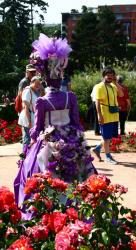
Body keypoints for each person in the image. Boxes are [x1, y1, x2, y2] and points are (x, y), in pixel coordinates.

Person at [14, 34, 97, 219]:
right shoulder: (71, 97)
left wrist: (30, 144)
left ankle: (48, 210)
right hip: (71, 140)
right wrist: (78, 141)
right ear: (60, 77)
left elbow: (36, 128)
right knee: (81, 176)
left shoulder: (42, 101)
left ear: (44, 79)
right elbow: (76, 123)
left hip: (50, 141)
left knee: (38, 173)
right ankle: (79, 210)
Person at [92, 67, 123, 165]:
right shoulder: (99, 86)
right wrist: (99, 116)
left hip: (113, 114)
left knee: (108, 137)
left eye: (112, 75)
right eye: (108, 75)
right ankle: (108, 157)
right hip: (105, 114)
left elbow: (121, 94)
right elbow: (97, 102)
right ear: (103, 75)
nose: (110, 77)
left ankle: (97, 149)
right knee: (106, 138)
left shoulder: (113, 86)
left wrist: (116, 82)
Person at [18, 76, 42, 151]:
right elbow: (25, 107)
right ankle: (24, 157)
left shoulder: (35, 91)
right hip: (27, 117)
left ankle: (28, 157)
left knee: (31, 139)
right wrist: (29, 122)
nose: (38, 85)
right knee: (27, 139)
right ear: (32, 82)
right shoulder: (28, 90)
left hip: (32, 117)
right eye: (36, 83)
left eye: (39, 84)